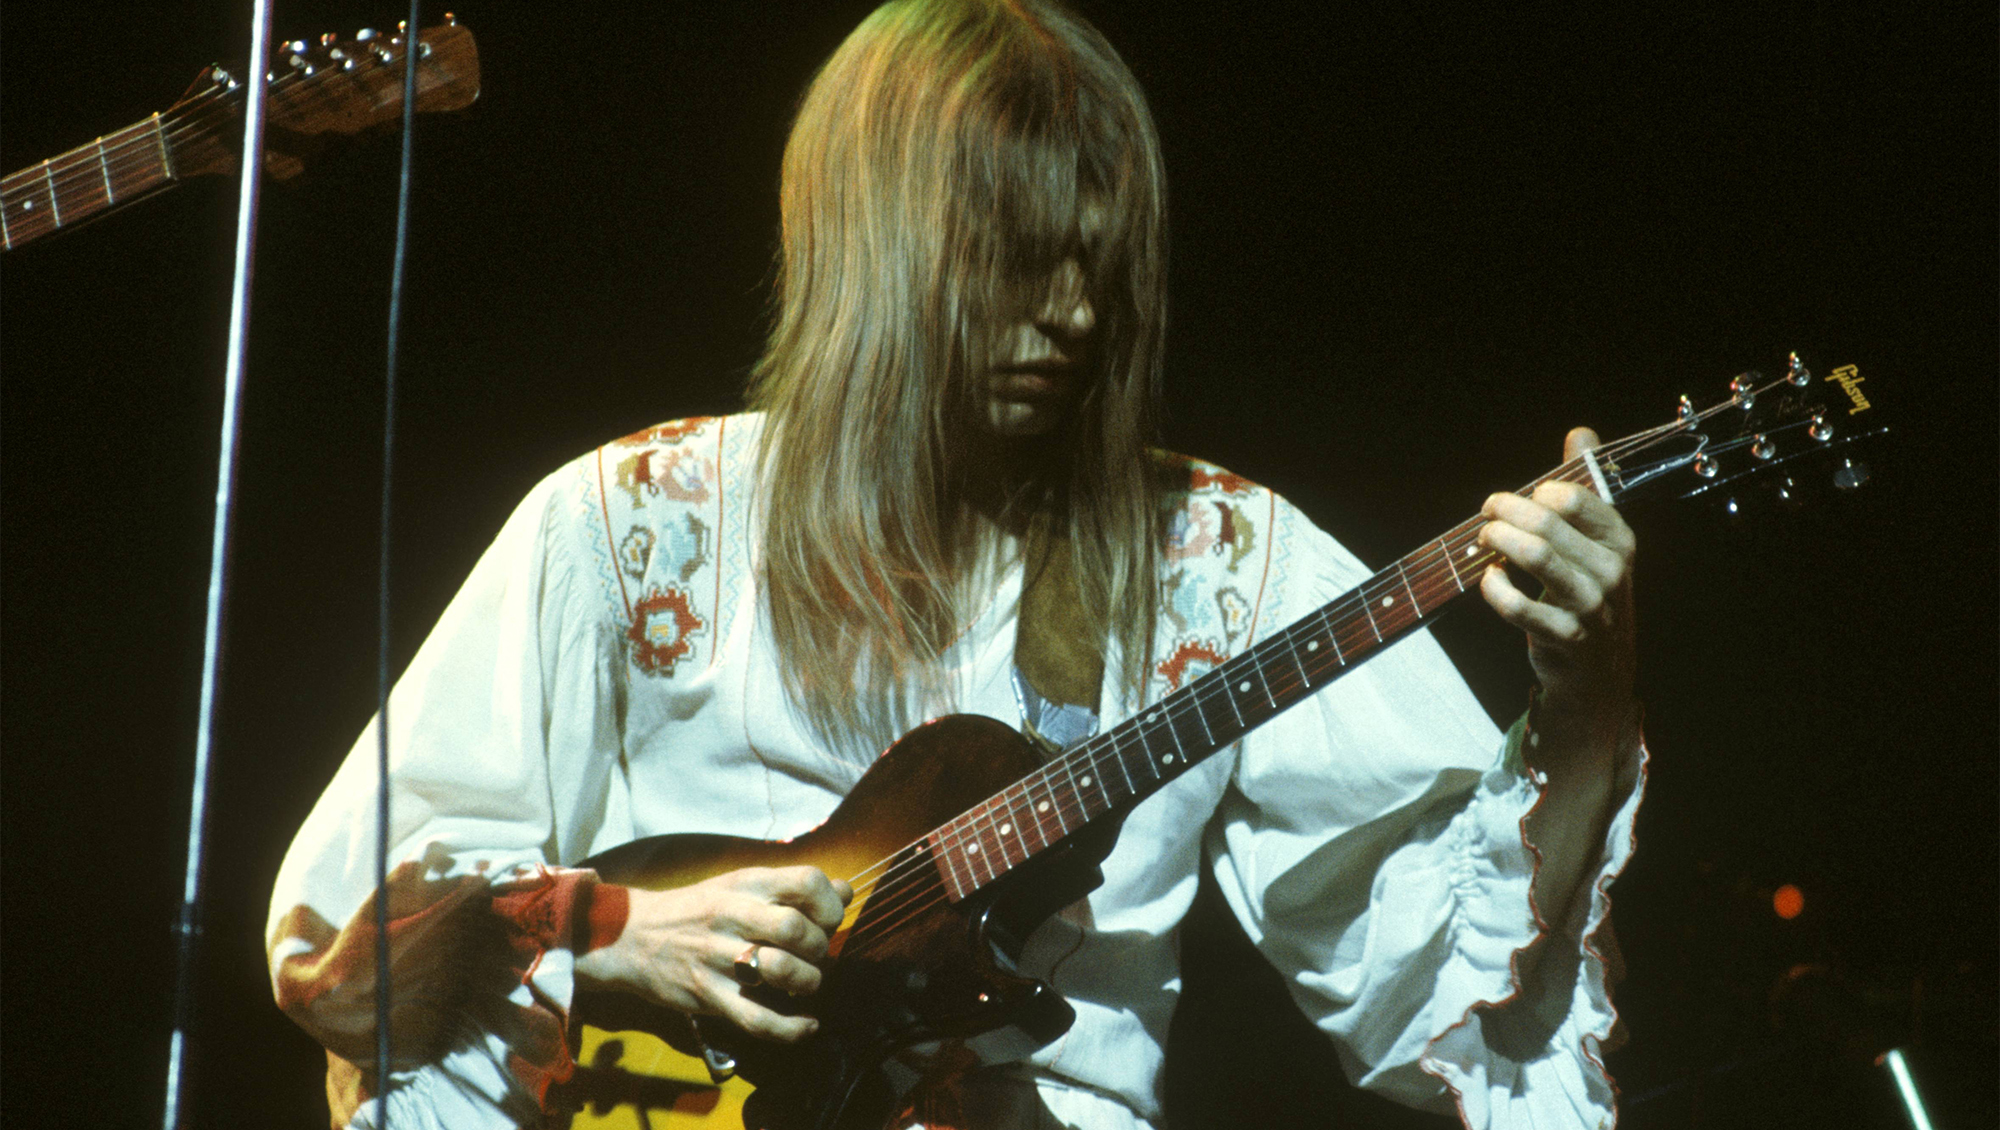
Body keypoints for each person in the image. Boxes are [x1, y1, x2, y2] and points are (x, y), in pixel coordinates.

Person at [267, 1, 1644, 1127]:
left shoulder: (1223, 560)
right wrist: (612, 931)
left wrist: (1584, 700)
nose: (1075, 314)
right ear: (880, 250)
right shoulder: (632, 519)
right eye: (1020, 261)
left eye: (1101, 268)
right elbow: (344, 933)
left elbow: (1453, 996)